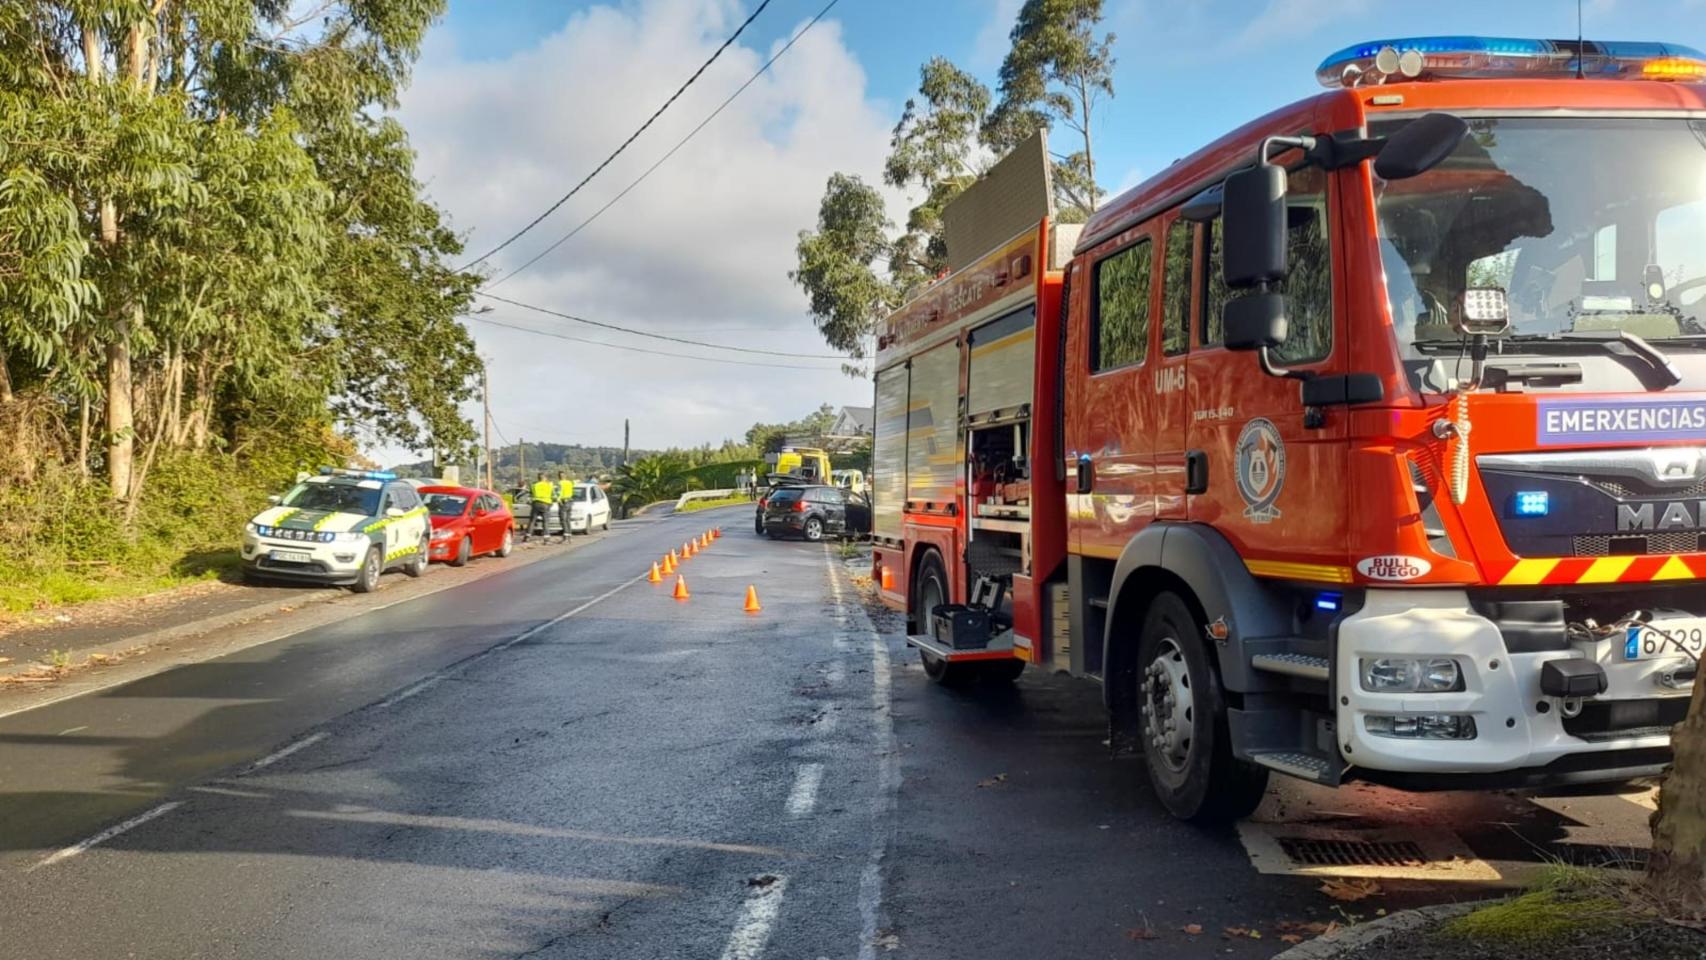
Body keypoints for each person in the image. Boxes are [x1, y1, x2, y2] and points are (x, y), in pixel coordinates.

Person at [527, 471, 555, 542]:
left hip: (536, 503)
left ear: (538, 478)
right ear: (545, 478)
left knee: (532, 521)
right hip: (546, 504)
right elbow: (553, 495)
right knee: (545, 521)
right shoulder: (549, 485)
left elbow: (530, 495)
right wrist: (552, 502)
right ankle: (546, 537)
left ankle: (527, 536)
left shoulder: (534, 485)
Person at [556, 472, 575, 540]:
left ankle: (565, 535)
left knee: (563, 519)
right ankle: (569, 535)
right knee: (568, 519)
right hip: (570, 501)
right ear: (565, 476)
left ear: (559, 477)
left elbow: (558, 493)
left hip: (563, 502)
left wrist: (558, 500)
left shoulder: (559, 483)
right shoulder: (569, 483)